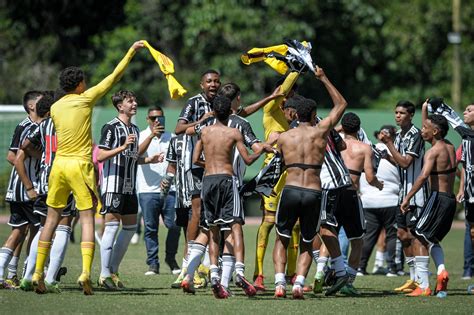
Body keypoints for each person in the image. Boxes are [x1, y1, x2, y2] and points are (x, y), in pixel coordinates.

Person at [32, 40, 145, 295]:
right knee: (86, 220)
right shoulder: (85, 99)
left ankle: (38, 272)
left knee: (51, 220)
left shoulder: (54, 107)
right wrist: (131, 51)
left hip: (58, 167)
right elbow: (114, 76)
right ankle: (85, 273)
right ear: (80, 84)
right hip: (80, 165)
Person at [273, 67, 348, 299]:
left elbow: (280, 164)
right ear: (314, 113)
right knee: (307, 241)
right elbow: (341, 104)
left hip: (291, 189)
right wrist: (323, 78)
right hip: (314, 191)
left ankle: (278, 285)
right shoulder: (321, 132)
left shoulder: (283, 137)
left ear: (295, 114)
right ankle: (298, 284)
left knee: (282, 238)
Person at [192, 96, 272, 298]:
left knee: (213, 230)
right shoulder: (234, 132)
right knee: (235, 225)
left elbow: (195, 159)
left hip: (208, 181)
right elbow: (247, 159)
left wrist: (210, 165)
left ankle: (215, 276)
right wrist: (262, 149)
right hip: (227, 181)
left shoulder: (204, 132)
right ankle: (239, 272)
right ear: (230, 111)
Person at [97, 90, 163, 290]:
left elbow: (132, 156)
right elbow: (100, 156)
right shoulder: (110, 127)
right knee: (111, 227)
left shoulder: (133, 128)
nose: (134, 103)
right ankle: (103, 274)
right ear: (120, 106)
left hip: (128, 186)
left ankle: (113, 271)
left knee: (130, 228)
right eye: (130, 101)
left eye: (134, 100)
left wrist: (148, 157)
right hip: (112, 185)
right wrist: (122, 146)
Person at [16, 94, 75, 293]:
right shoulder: (67, 122)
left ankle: (27, 276)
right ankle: (50, 278)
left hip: (43, 182)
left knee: (43, 228)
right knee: (64, 227)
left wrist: (44, 156)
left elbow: (25, 147)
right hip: (63, 179)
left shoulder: (42, 126)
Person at [400, 111, 456, 297]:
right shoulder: (449, 147)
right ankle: (441, 272)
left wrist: (407, 197)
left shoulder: (432, 152)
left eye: (425, 128)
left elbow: (423, 176)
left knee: (418, 236)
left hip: (436, 198)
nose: (421, 130)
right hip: (450, 199)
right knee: (432, 239)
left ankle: (423, 286)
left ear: (436, 131)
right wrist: (425, 109)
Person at [254, 72, 301, 291]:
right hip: (272, 177)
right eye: (289, 94)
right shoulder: (270, 111)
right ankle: (259, 274)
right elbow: (282, 90)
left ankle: (292, 275)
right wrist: (296, 68)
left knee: (295, 227)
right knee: (268, 222)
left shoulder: (297, 121)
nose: (291, 98)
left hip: (291, 176)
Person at [174, 70, 221, 283]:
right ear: (202, 84)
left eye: (216, 81)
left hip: (218, 165)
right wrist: (201, 121)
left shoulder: (221, 102)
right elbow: (179, 128)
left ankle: (210, 266)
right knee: (197, 211)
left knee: (215, 215)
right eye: (209, 81)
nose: (213, 84)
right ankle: (186, 267)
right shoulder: (194, 103)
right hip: (196, 165)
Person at [379, 100, 428, 294]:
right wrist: (385, 155)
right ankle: (413, 278)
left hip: (416, 196)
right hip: (402, 195)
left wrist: (388, 144)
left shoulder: (416, 135)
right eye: (396, 112)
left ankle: (422, 281)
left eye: (402, 113)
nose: (397, 116)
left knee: (416, 236)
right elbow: (399, 161)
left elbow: (407, 162)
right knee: (402, 234)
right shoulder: (399, 135)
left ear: (411, 115)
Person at [335, 112, 383, 295]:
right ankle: (349, 281)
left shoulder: (334, 145)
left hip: (332, 192)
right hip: (350, 194)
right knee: (357, 240)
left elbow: (327, 132)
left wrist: (340, 128)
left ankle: (320, 274)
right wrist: (378, 184)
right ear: (359, 127)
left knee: (329, 234)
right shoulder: (364, 148)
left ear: (343, 127)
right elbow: (370, 178)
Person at [0, 91, 42, 289]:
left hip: (19, 189)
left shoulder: (32, 125)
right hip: (27, 189)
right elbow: (13, 157)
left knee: (20, 231)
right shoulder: (28, 127)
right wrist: (29, 184)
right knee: (38, 229)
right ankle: (30, 273)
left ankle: (9, 274)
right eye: (42, 101)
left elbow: (13, 155)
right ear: (32, 106)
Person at [136, 105, 181, 276]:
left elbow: (178, 160)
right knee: (150, 228)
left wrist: (170, 179)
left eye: (159, 117)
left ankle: (171, 258)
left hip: (172, 189)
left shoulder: (173, 137)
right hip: (148, 190)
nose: (156, 121)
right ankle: (153, 264)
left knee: (175, 225)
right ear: (147, 119)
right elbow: (134, 156)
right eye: (153, 118)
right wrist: (151, 137)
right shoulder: (141, 136)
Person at [358, 125, 399, 277]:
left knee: (369, 236)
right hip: (391, 200)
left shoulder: (368, 150)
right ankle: (392, 269)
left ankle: (361, 268)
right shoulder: (397, 153)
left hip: (368, 201)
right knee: (391, 235)